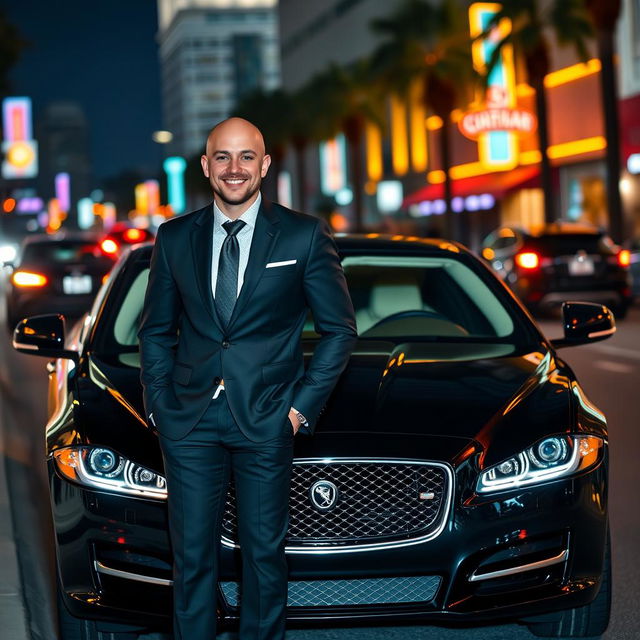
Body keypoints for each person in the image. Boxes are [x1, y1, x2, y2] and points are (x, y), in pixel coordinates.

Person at [138, 117, 357, 640]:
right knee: (191, 559)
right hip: (188, 421)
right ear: (206, 167)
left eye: (245, 157)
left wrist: (300, 406)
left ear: (264, 165)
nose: (233, 168)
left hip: (266, 416)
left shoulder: (303, 235)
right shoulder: (173, 238)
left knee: (263, 556)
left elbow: (339, 330)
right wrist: (159, 403)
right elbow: (155, 331)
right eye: (222, 157)